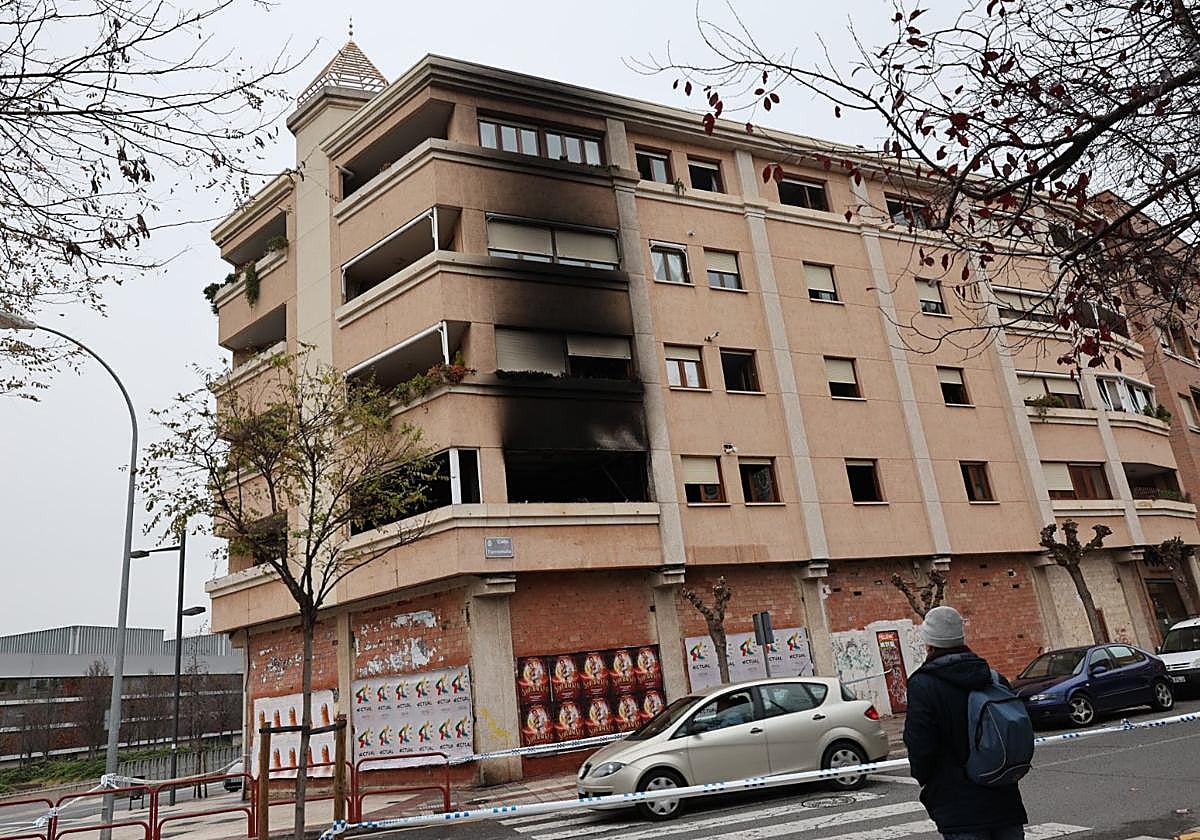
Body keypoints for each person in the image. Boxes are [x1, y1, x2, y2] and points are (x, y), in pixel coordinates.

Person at [903, 605, 1028, 840]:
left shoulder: (923, 685)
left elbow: (921, 745)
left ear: (929, 642)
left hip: (958, 805)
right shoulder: (993, 677)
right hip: (1003, 795)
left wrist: (926, 780)